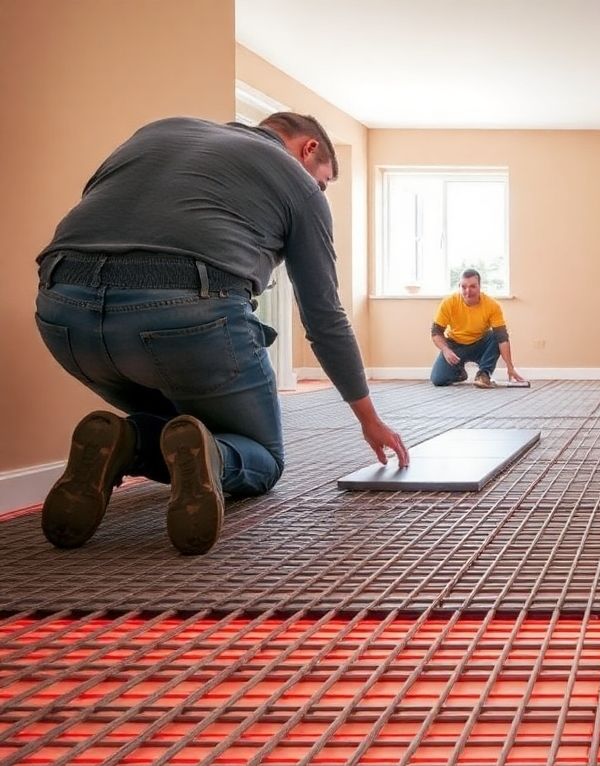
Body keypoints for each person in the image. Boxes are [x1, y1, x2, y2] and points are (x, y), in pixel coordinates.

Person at [34, 113, 409, 556]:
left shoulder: (158, 130)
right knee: (262, 458)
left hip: (62, 315)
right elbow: (324, 317)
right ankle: (162, 448)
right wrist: (369, 419)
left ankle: (125, 440)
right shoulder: (299, 182)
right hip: (185, 322)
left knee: (183, 418)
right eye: (324, 180)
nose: (320, 188)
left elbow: (102, 214)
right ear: (309, 148)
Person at [429, 269, 527, 388]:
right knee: (438, 380)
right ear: (459, 286)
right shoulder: (449, 303)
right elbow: (436, 332)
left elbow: (502, 338)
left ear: (480, 286)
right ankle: (459, 372)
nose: (468, 291)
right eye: (464, 287)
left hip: (480, 343)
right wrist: (445, 349)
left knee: (495, 335)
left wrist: (510, 368)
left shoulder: (492, 305)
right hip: (455, 345)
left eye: (473, 286)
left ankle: (483, 374)